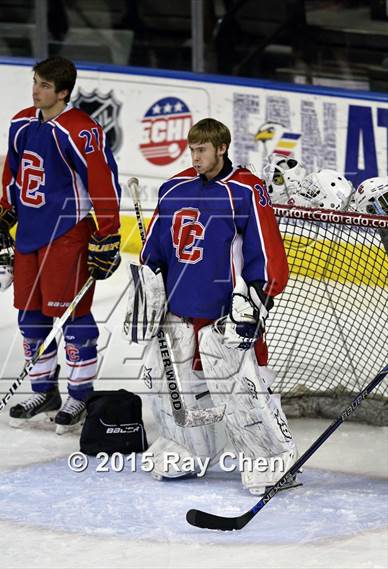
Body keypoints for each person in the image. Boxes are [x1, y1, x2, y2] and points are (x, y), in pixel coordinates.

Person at [125, 118, 298, 495]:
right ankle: (187, 445)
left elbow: (266, 250)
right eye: (193, 150)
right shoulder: (174, 187)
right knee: (165, 380)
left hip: (227, 313)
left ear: (222, 148)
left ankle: (270, 455)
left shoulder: (246, 189)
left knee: (242, 388)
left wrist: (258, 296)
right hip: (180, 308)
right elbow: (155, 248)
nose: (196, 156)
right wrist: (149, 283)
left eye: (203, 150)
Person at [0, 56, 121, 433]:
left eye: (44, 85)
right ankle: (44, 390)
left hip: (67, 234)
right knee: (30, 318)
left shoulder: (81, 130)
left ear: (62, 92)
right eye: (35, 82)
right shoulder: (22, 122)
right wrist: (7, 209)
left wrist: (107, 233)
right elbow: (13, 174)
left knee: (73, 318)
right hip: (28, 233)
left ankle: (79, 394)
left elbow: (103, 182)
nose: (35, 90)